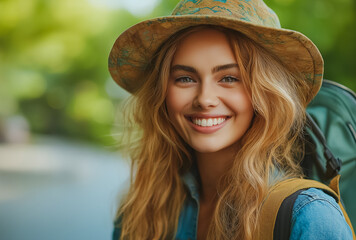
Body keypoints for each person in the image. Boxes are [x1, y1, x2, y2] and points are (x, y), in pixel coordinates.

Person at [108, 0, 354, 239]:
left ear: (265, 94)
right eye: (185, 78)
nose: (204, 99)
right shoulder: (141, 208)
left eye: (229, 78)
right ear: (161, 93)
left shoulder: (309, 216)